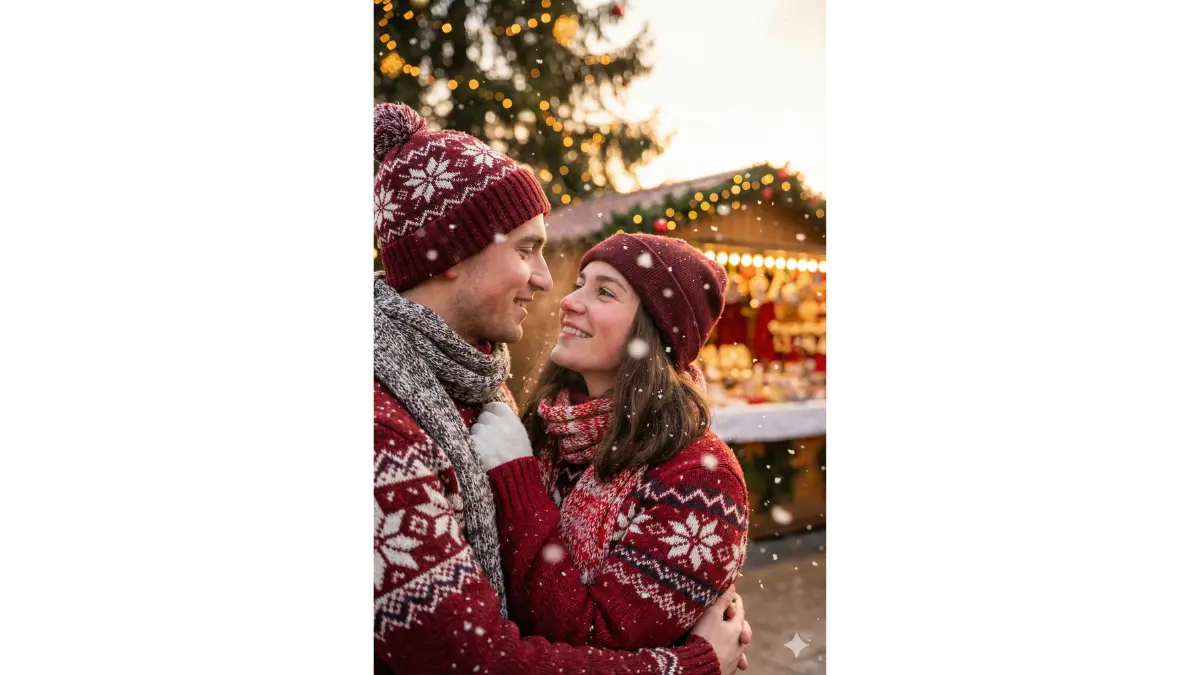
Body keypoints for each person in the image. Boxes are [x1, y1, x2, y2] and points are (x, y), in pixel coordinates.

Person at [372, 102, 751, 675]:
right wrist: (688, 666)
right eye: (527, 249)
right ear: (451, 252)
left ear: (651, 332)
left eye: (605, 292)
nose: (558, 291)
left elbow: (598, 627)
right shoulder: (429, 422)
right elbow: (477, 659)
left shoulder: (487, 409)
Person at [469, 234, 752, 662]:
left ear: (652, 332)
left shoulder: (701, 480)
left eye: (604, 291)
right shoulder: (546, 429)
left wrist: (518, 482)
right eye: (580, 283)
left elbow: (596, 639)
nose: (569, 300)